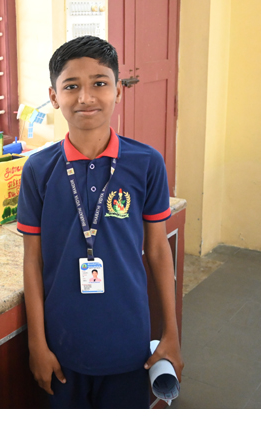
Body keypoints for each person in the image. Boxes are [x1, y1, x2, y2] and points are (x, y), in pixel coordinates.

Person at [18, 35, 183, 409]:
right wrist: (36, 343)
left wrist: (171, 333)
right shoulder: (38, 169)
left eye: (99, 83)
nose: (85, 97)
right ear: (54, 96)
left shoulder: (146, 163)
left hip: (128, 340)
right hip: (62, 343)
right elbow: (32, 260)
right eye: (71, 86)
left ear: (118, 90)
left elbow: (158, 251)